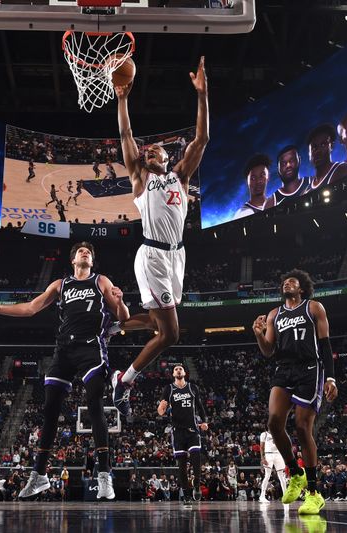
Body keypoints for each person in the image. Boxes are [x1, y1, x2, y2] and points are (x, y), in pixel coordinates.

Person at [0, 242, 129, 500]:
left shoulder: (101, 281)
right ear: (73, 260)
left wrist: (121, 301)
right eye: (81, 251)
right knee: (49, 410)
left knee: (94, 403)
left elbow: (123, 317)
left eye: (89, 252)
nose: (85, 252)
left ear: (92, 261)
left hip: (91, 346)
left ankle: (104, 474)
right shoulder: (60, 285)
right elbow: (31, 308)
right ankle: (39, 476)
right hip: (64, 349)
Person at [109, 56, 209, 417]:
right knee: (171, 335)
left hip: (176, 256)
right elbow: (125, 136)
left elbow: (202, 137)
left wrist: (202, 94)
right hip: (151, 255)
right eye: (146, 150)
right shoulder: (141, 179)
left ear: (167, 156)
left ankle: (115, 324)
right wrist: (122, 99)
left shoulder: (180, 176)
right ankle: (125, 380)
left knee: (156, 322)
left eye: (155, 149)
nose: (149, 149)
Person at [252, 269, 338, 515]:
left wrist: (330, 377)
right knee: (274, 423)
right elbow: (268, 350)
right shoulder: (274, 315)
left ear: (301, 288)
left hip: (310, 368)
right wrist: (259, 335)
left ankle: (313, 493)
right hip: (284, 369)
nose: (286, 283)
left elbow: (325, 343)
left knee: (302, 427)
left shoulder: (314, 308)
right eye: (284, 282)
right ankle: (295, 472)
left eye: (292, 281)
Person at [157, 365, 208, 504]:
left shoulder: (192, 388)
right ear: (173, 374)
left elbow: (200, 406)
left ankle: (196, 484)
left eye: (180, 369)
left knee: (196, 459)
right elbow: (161, 411)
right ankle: (186, 494)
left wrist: (205, 422)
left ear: (185, 372)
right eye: (176, 369)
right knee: (182, 466)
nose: (178, 370)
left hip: (192, 430)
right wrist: (162, 408)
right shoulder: (169, 389)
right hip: (177, 431)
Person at [305, 124, 347, 191]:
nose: (318, 151)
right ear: (309, 153)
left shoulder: (342, 171)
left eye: (323, 145)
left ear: (331, 146)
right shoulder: (307, 190)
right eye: (314, 148)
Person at [233, 154, 270, 219]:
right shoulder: (243, 213)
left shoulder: (275, 203)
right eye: (253, 178)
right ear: (247, 181)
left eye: (262, 175)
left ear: (268, 177)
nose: (258, 181)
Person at [258, 428, 288, 504]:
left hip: (278, 454)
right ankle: (262, 496)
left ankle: (285, 496)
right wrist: (262, 458)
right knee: (267, 475)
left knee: (282, 476)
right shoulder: (264, 434)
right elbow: (261, 447)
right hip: (268, 454)